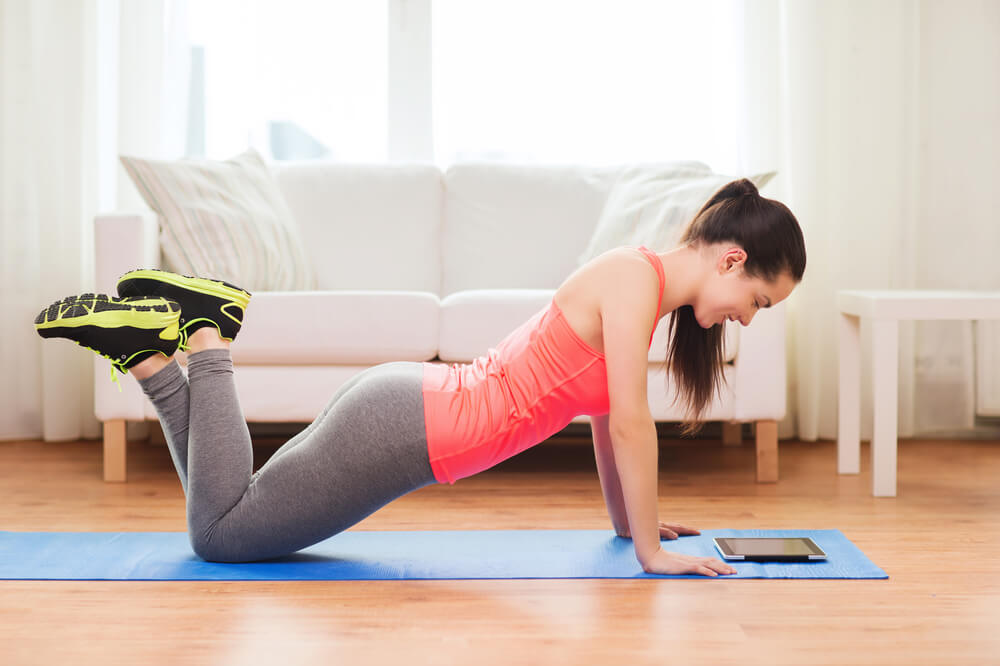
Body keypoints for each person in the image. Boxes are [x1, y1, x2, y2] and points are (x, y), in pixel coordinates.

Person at [34, 178, 805, 576]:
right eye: (758, 300)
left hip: (404, 413)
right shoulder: (634, 282)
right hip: (407, 429)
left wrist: (629, 526)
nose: (749, 316)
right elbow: (635, 423)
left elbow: (605, 422)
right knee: (222, 536)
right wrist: (650, 555)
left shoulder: (636, 285)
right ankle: (206, 337)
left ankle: (147, 354)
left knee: (227, 514)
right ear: (732, 258)